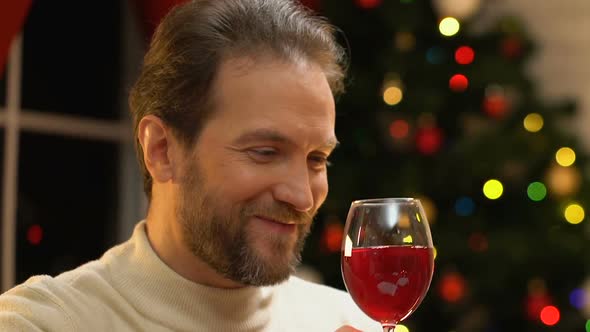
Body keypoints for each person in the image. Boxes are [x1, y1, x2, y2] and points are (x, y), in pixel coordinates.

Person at [0, 0, 379, 331]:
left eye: (317, 158)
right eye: (265, 152)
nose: (301, 196)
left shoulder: (350, 321)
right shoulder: (42, 323)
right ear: (162, 150)